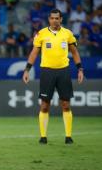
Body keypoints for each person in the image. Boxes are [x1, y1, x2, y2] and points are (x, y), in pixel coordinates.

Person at [23, 9, 84, 145]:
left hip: (63, 71)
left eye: (57, 18)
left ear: (61, 19)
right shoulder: (41, 34)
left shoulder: (68, 34)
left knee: (66, 104)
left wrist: (80, 69)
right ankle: (43, 137)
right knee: (45, 105)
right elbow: (34, 53)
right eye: (52, 18)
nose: (55, 20)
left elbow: (74, 52)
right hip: (47, 72)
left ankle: (68, 136)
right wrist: (27, 70)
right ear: (49, 19)